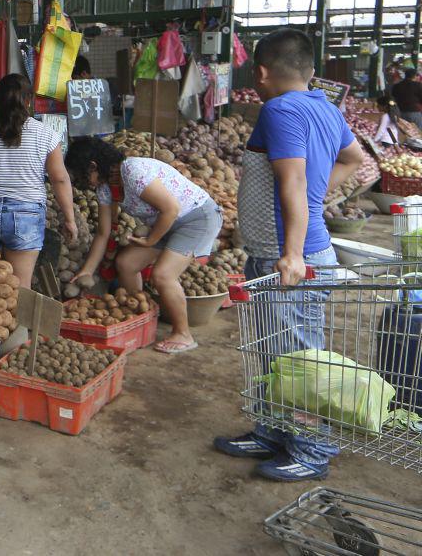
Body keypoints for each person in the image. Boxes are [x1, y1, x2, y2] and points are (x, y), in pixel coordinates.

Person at [214, 28, 363, 482]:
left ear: (261, 72)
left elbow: (293, 183)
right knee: (271, 353)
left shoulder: (279, 109)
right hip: (274, 254)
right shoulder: (324, 107)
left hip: (288, 259)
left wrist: (293, 252)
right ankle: (273, 432)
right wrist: (319, 198)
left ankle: (312, 450)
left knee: (299, 358)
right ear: (311, 70)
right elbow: (354, 159)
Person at [65, 137, 222, 354]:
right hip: (165, 223)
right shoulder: (104, 189)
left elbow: (171, 209)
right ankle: (141, 314)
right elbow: (103, 233)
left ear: (93, 165)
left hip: (196, 218)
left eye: (83, 175)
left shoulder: (133, 171)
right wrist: (86, 271)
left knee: (162, 275)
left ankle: (183, 334)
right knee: (126, 263)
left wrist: (151, 241)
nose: (85, 182)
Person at [0, 73, 76, 288]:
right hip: (26, 214)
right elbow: (59, 179)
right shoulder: (46, 134)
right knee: (19, 286)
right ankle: (17, 322)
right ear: (28, 100)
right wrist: (69, 218)